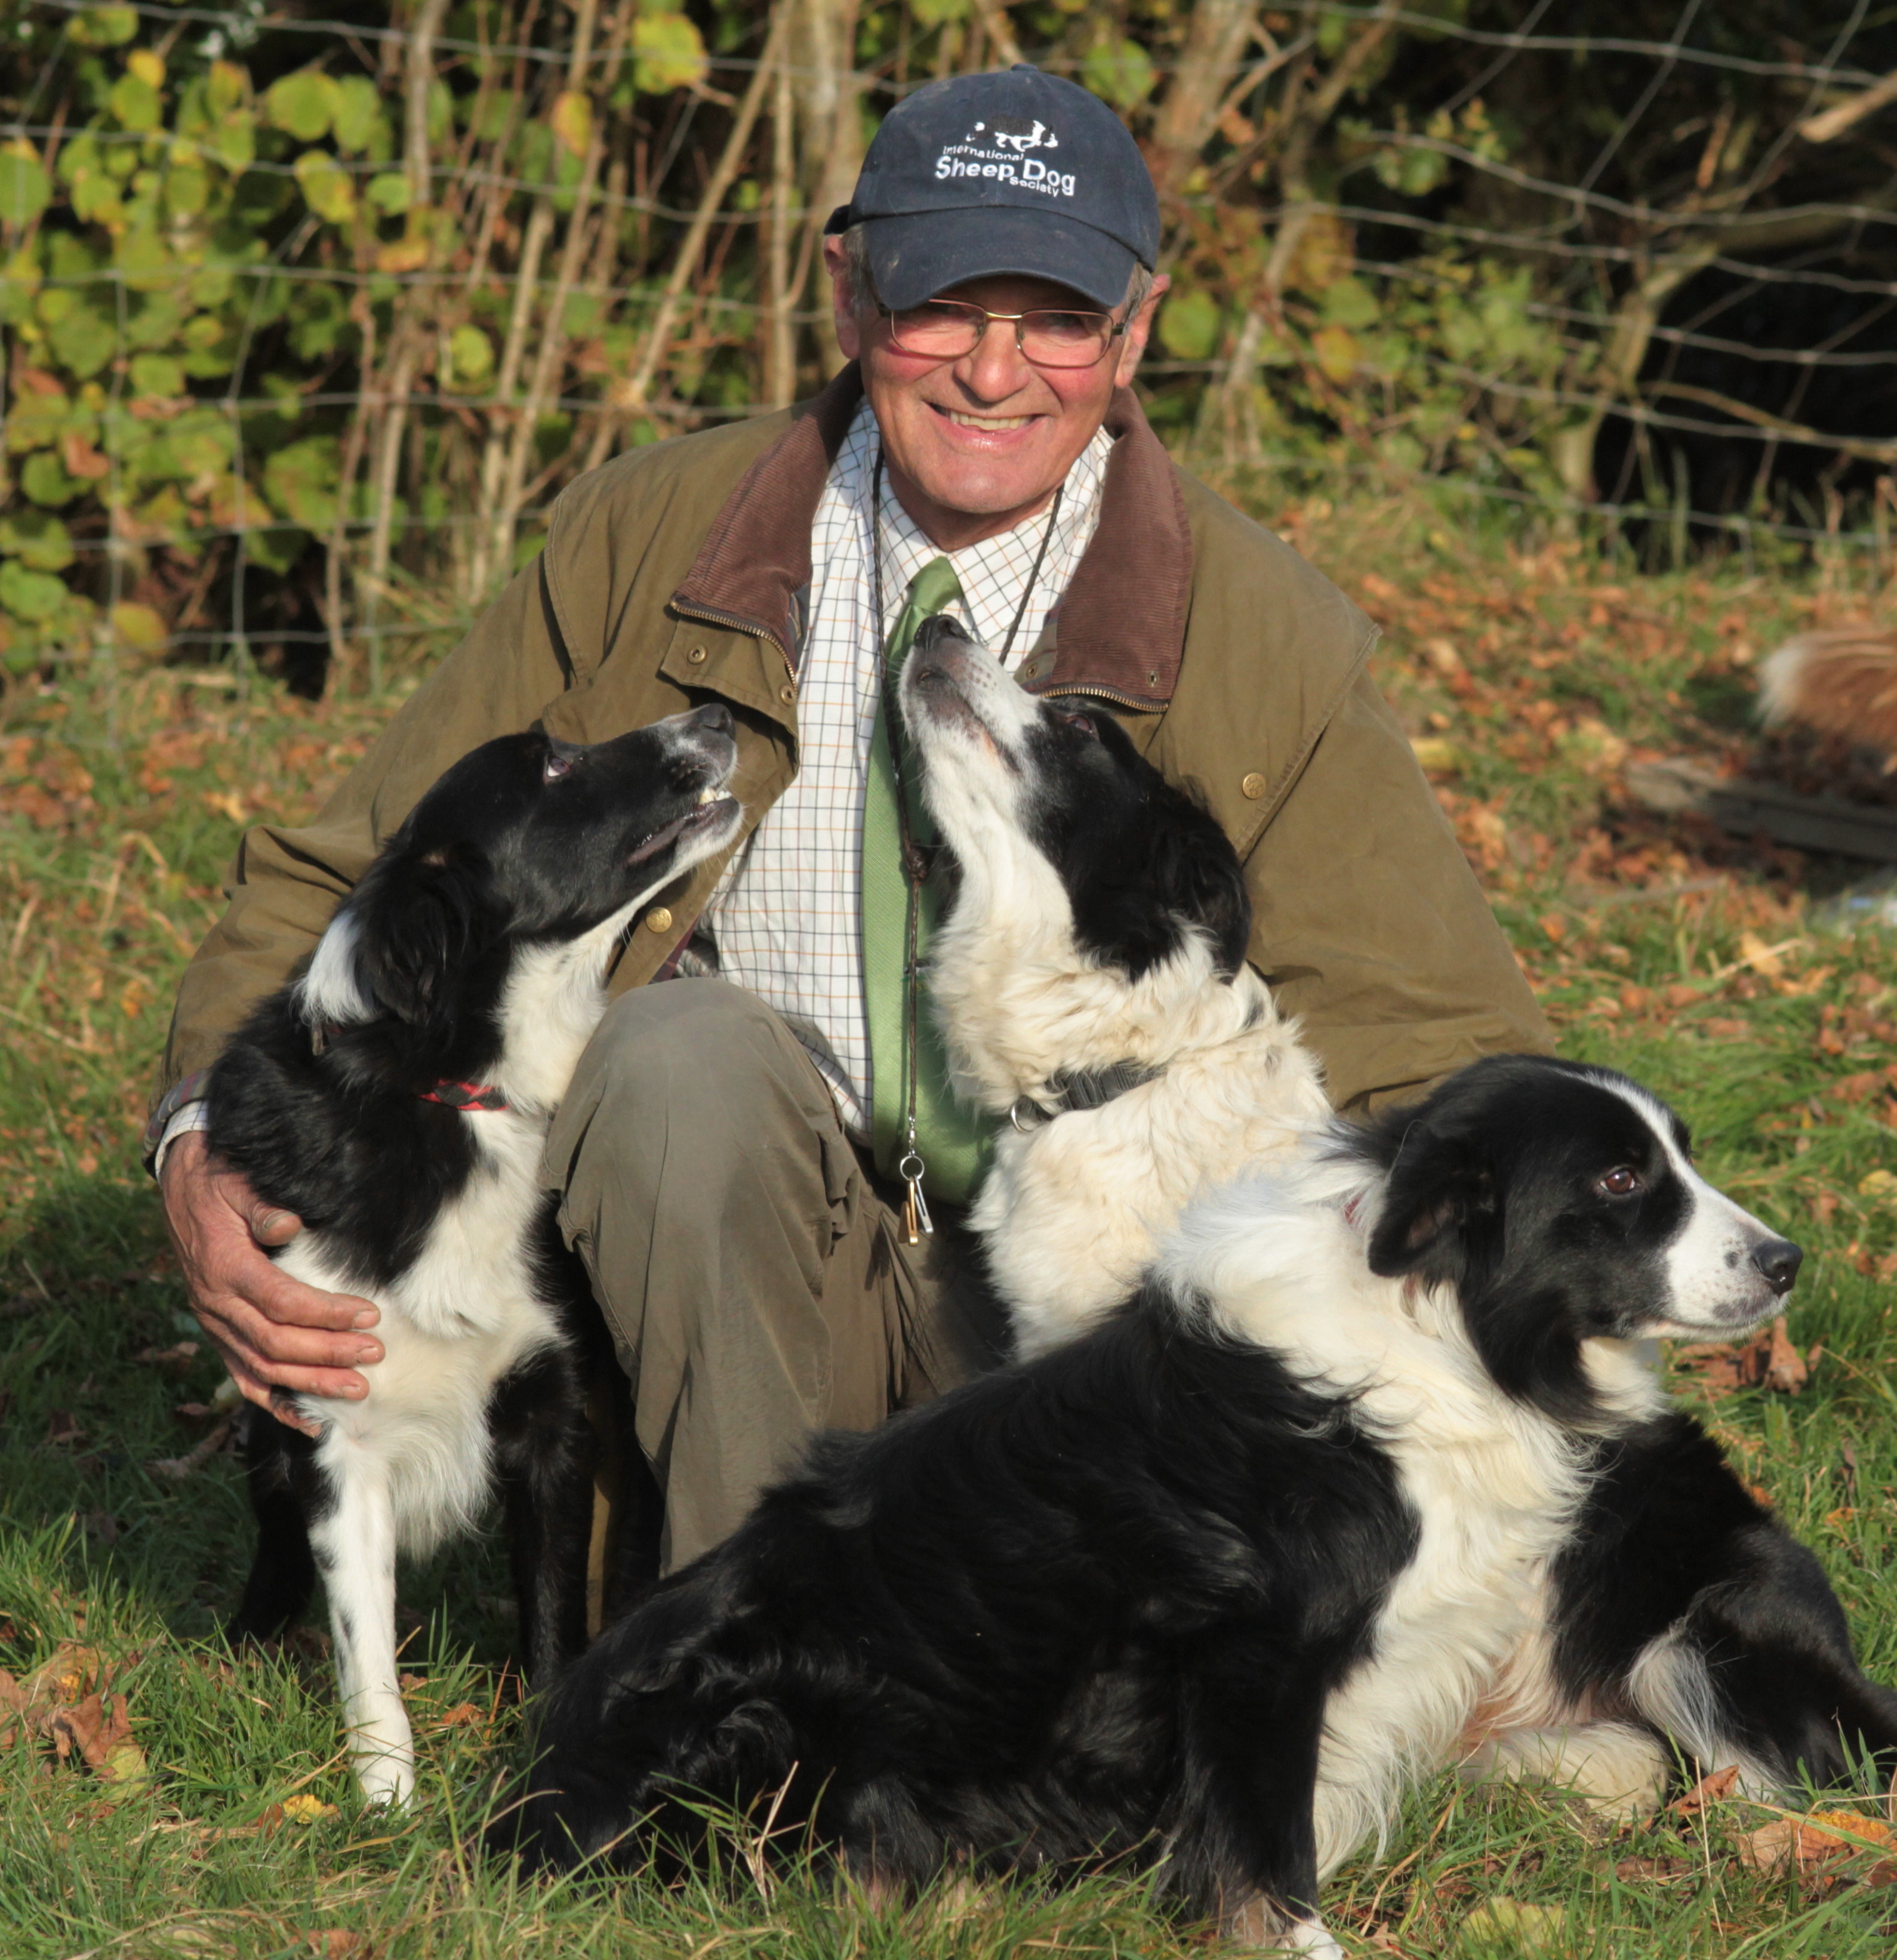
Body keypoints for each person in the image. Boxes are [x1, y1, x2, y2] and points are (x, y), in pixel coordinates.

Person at [153, 65, 1549, 1578]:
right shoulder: (646, 535)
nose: (994, 374)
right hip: (743, 1286)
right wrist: (200, 1157)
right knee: (680, 1054)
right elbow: (350, 878)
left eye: (1060, 320)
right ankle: (732, 1659)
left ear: (1135, 330)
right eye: (943, 303)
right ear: (850, 289)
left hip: (1096, 1331)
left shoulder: (1268, 634)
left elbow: (1440, 1053)